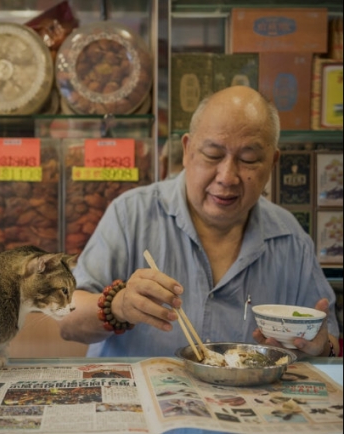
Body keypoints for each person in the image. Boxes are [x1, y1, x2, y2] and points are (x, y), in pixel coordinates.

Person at [58, 86, 340, 359]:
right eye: (213, 155)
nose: (227, 177)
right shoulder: (131, 214)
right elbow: (68, 321)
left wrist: (320, 348)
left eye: (249, 159)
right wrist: (118, 306)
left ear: (273, 163)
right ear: (187, 150)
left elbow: (330, 342)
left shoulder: (290, 238)